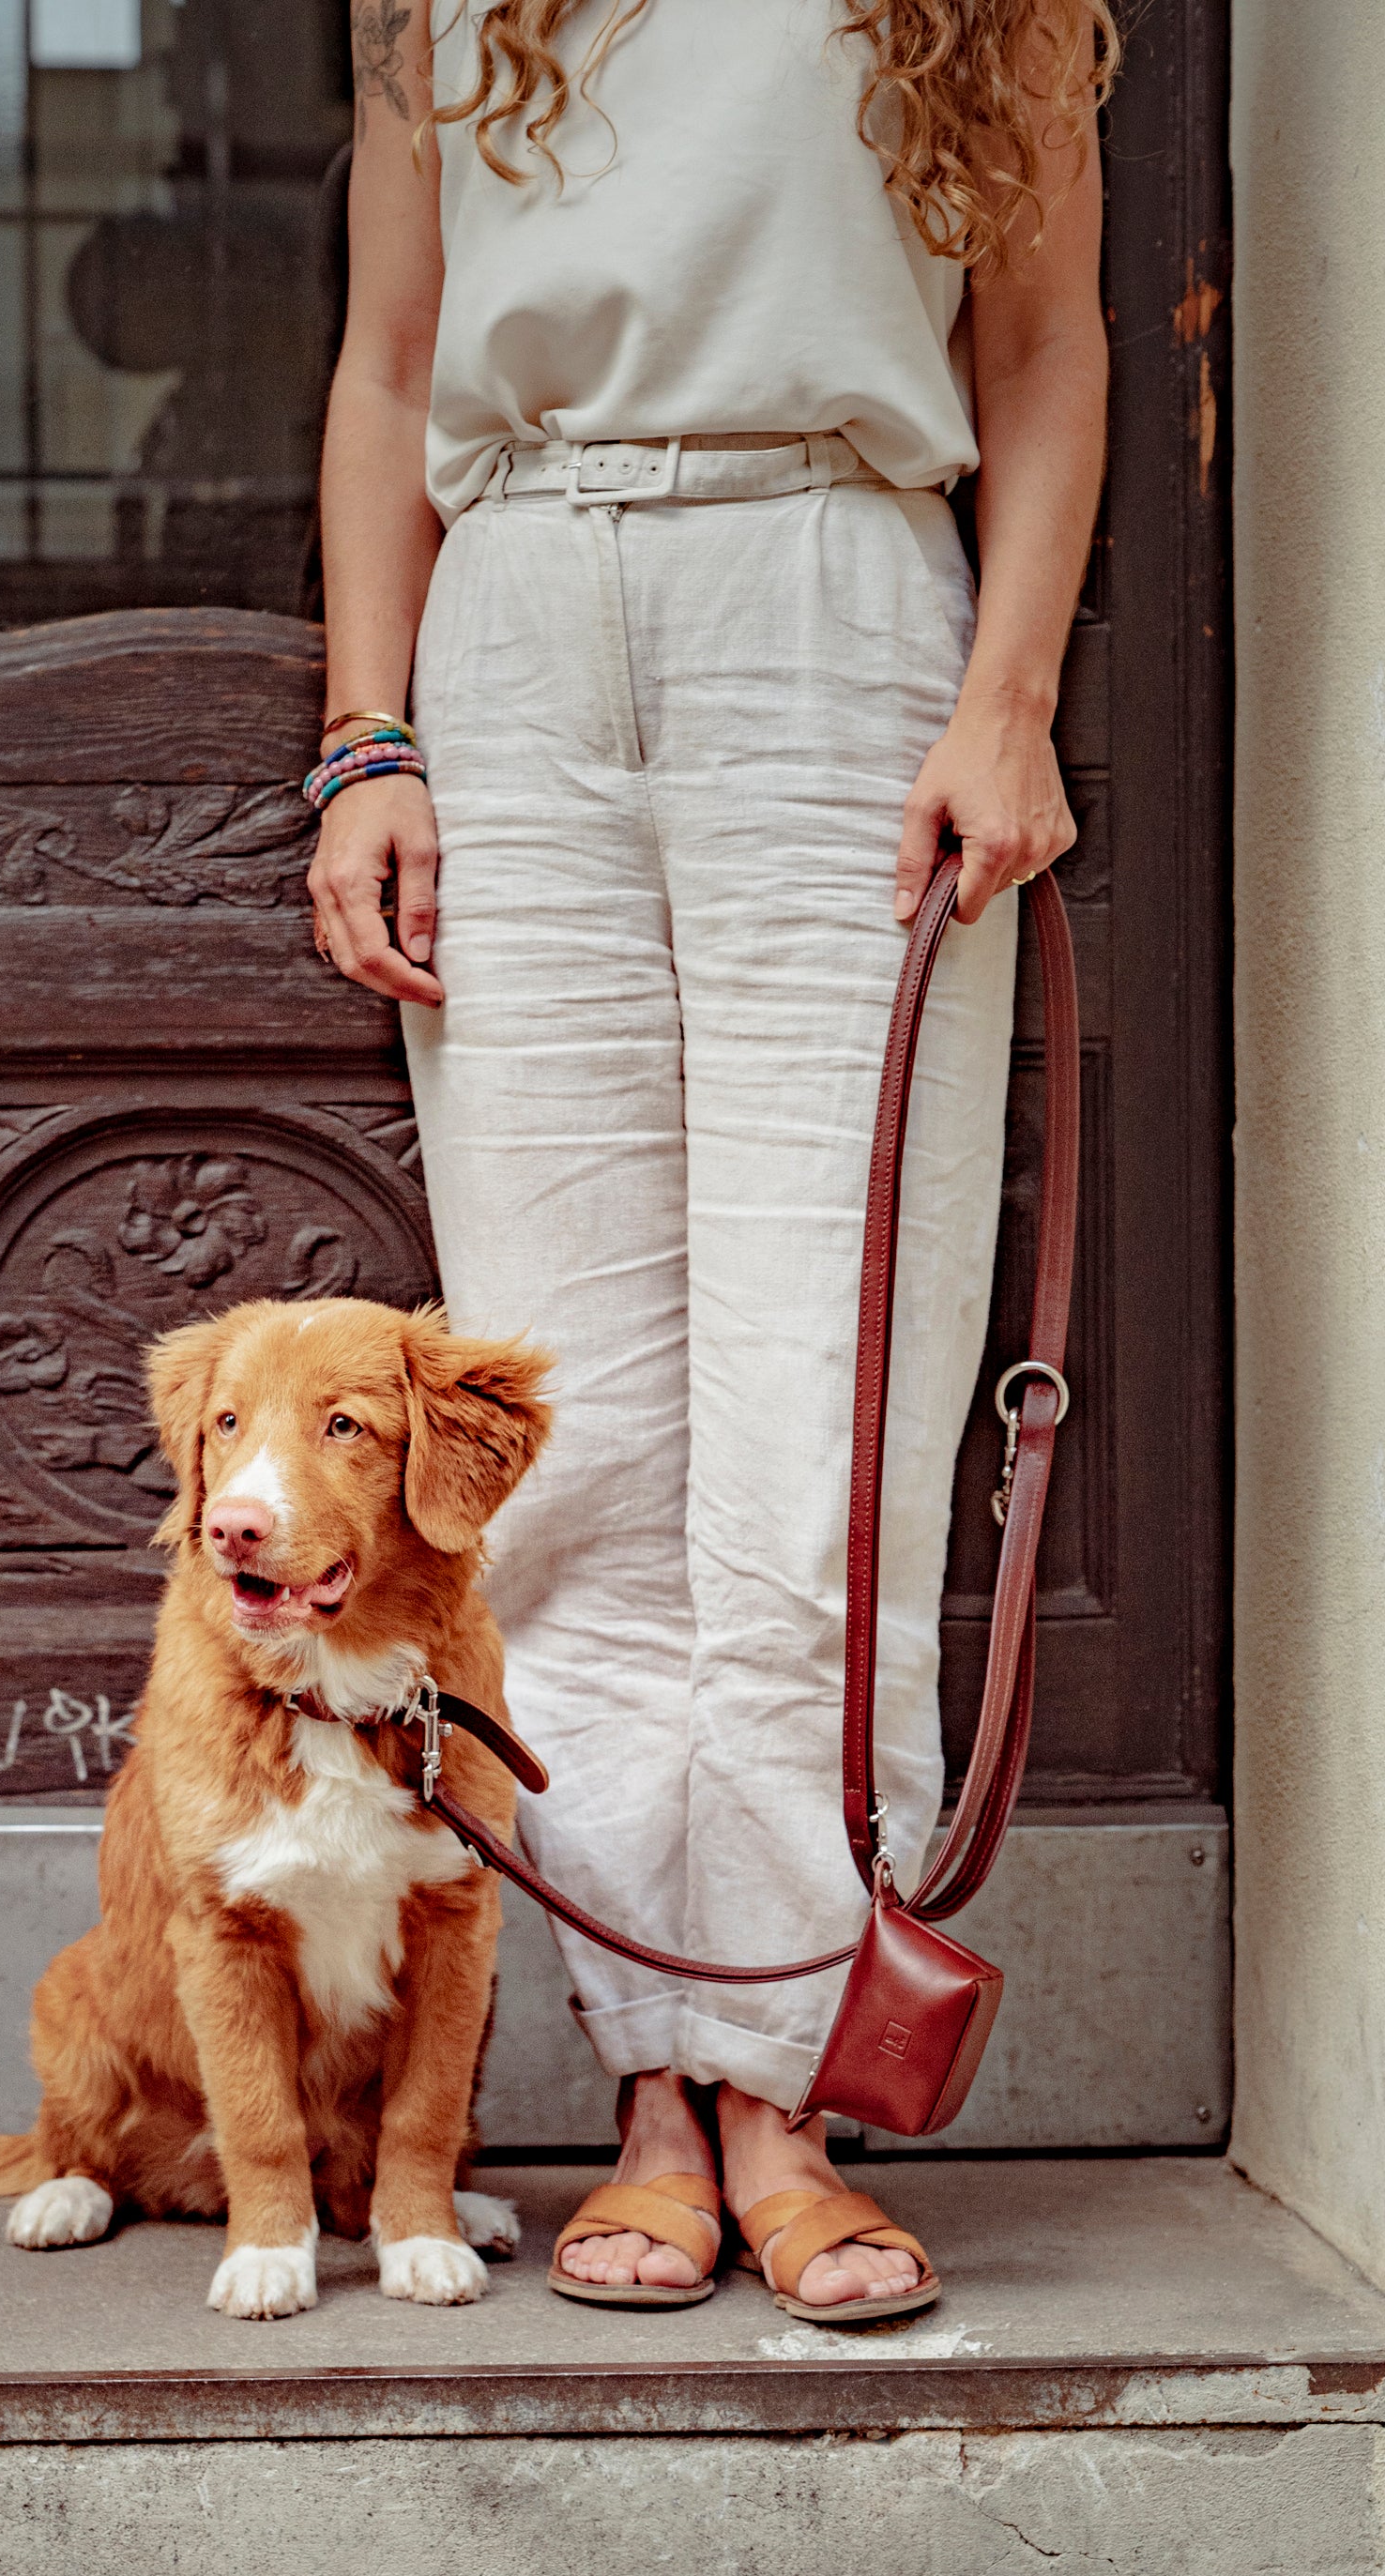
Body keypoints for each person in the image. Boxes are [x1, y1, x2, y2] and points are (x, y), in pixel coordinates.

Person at [307, 0, 1112, 2317]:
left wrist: (1007, 703)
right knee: (557, 1430)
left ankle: (783, 2091)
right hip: (518, 623)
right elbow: (391, 363)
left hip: (832, 607)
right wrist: (366, 736)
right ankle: (645, 2087)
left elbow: (1043, 351)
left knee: (819, 1407)